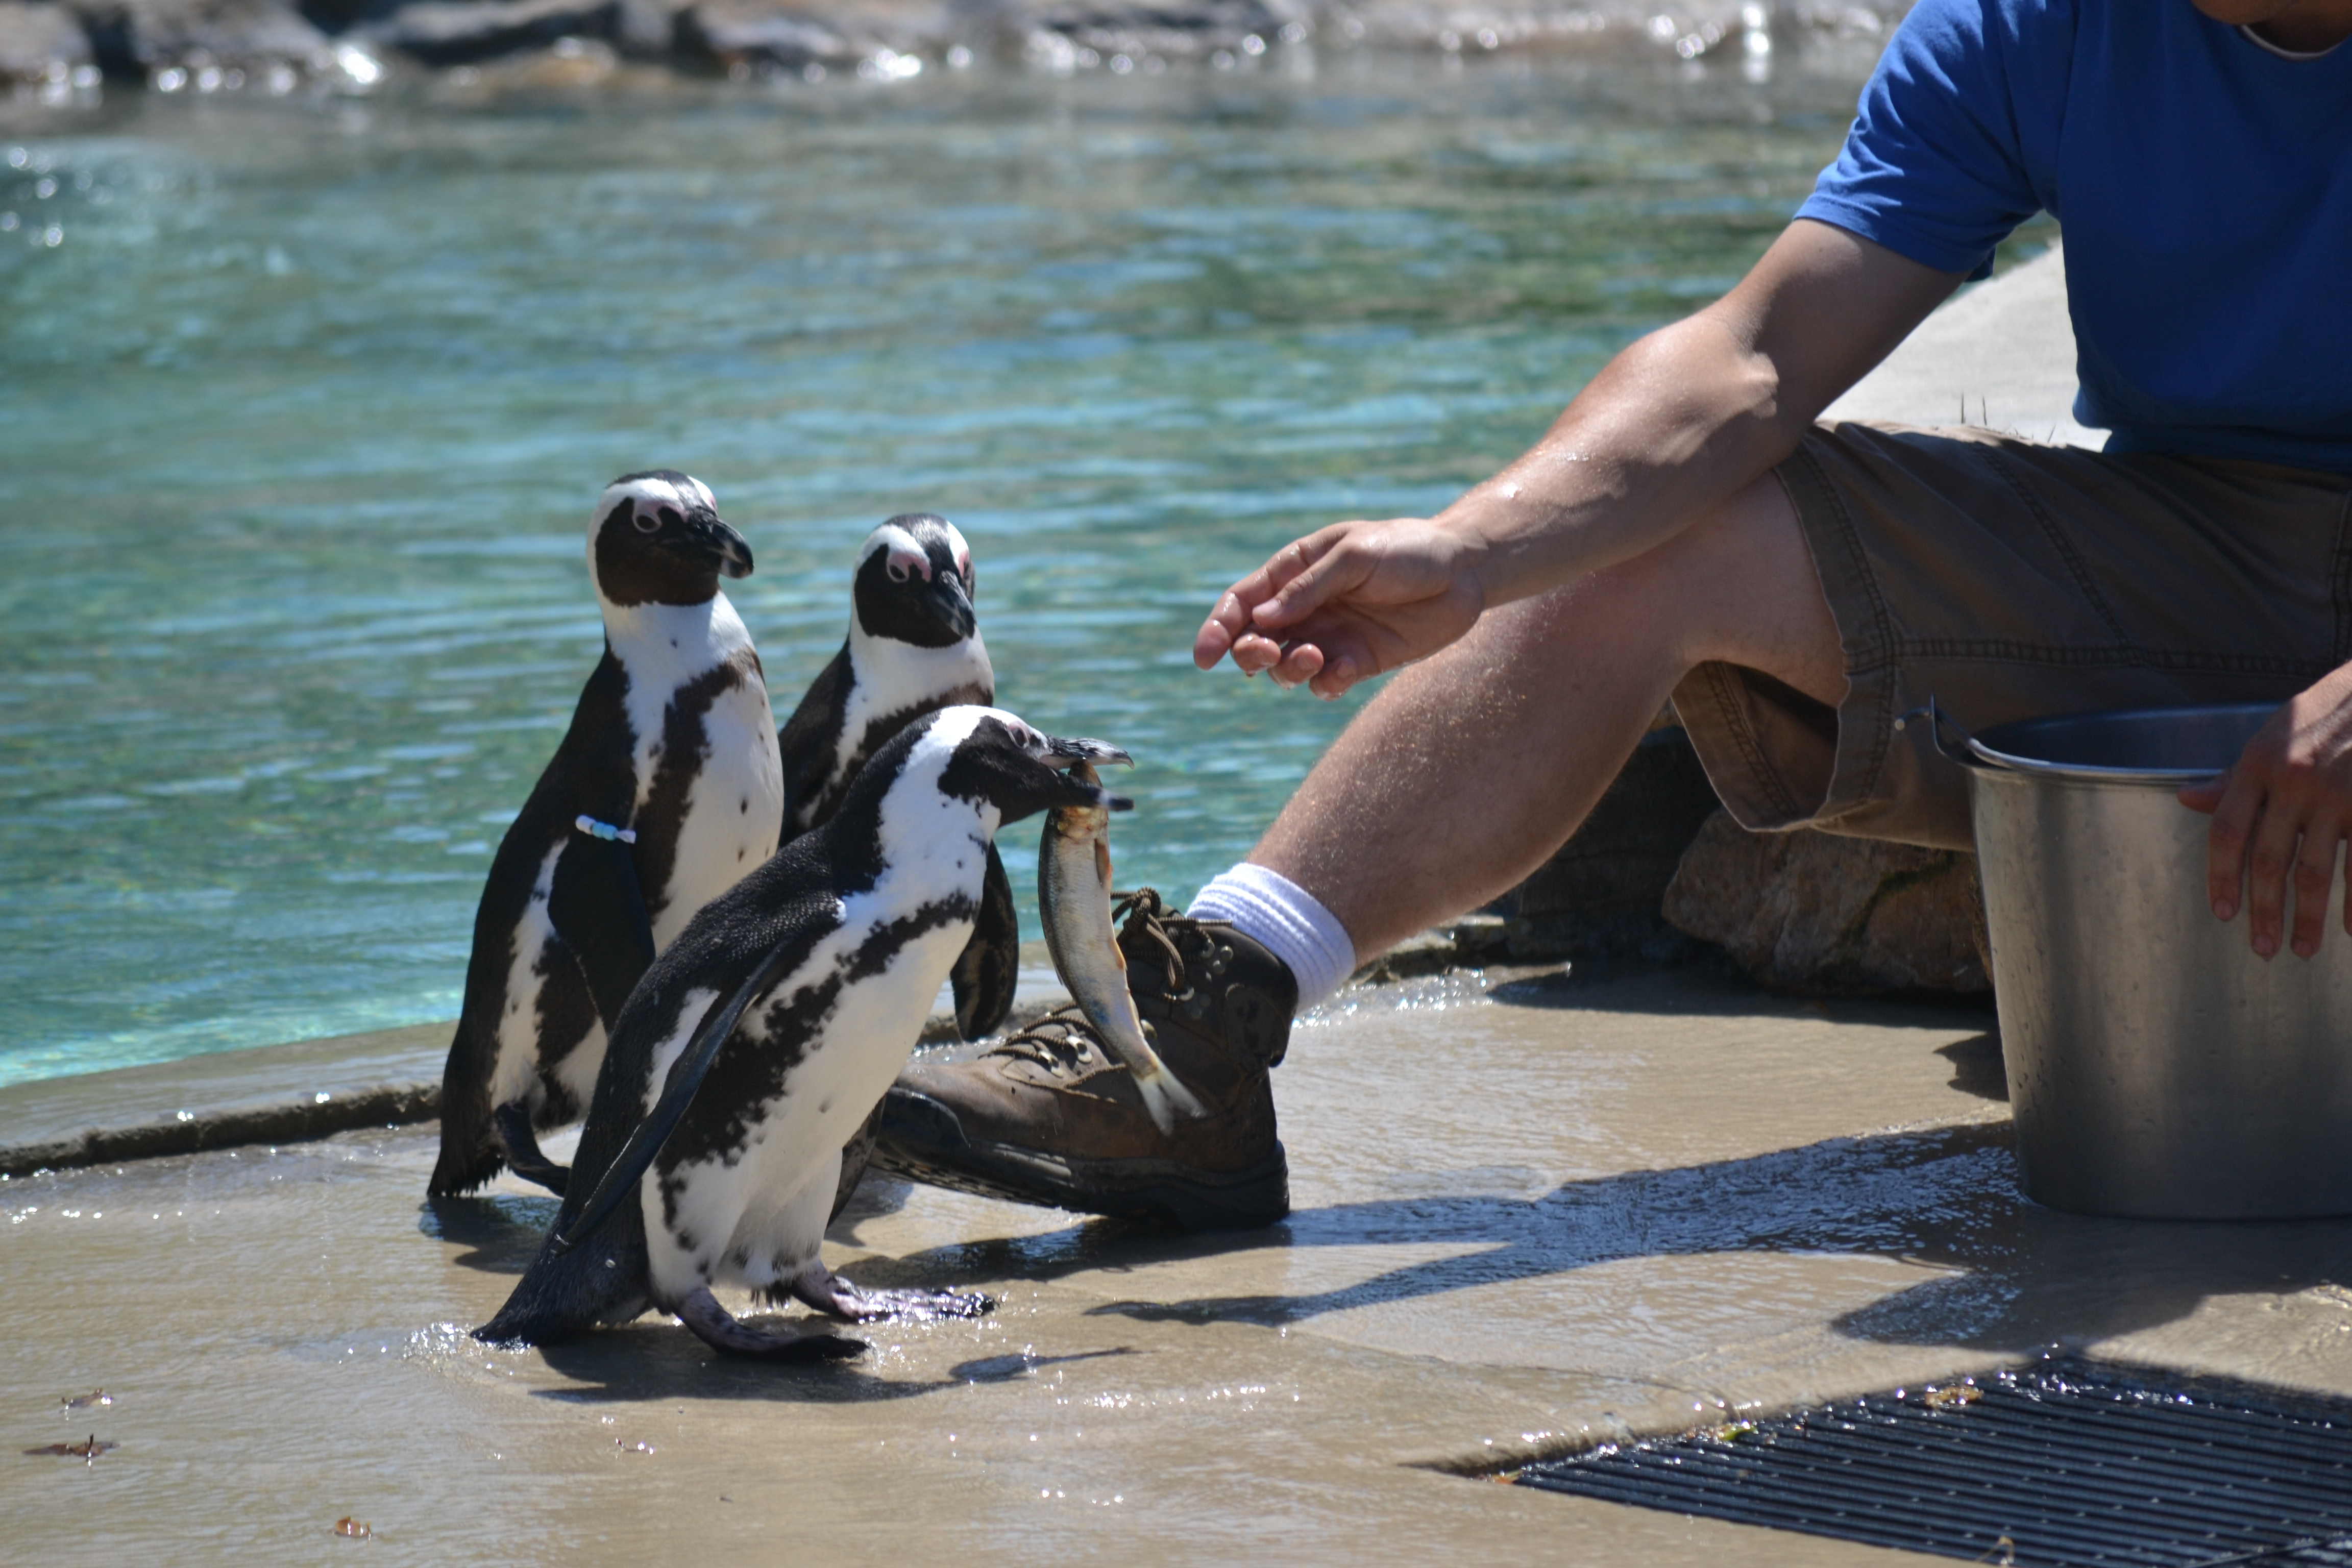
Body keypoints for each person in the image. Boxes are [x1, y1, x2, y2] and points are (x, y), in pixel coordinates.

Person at [875, 0, 2352, 1229]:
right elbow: (1756, 356)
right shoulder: (2047, 22)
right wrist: (1474, 552)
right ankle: (1201, 1032)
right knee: (1667, 522)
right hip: (2207, 547)